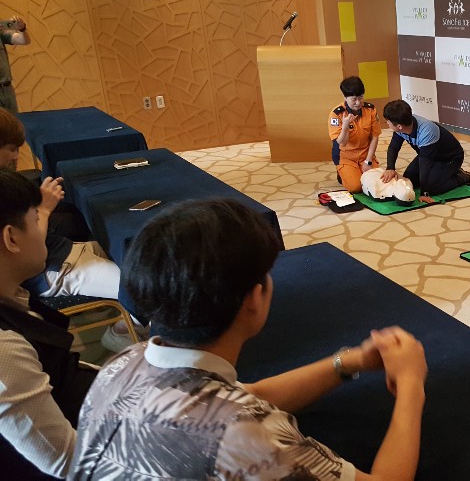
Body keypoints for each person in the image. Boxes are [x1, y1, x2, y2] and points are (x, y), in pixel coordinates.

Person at [70, 199, 428, 480]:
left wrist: (348, 362)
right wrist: (411, 384)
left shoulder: (123, 364)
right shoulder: (250, 435)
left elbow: (249, 394)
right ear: (254, 299)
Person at [0, 108, 136, 352]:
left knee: (137, 257)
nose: (16, 156)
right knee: (143, 287)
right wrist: (43, 210)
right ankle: (119, 333)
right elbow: (30, 255)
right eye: (10, 149)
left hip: (63, 252)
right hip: (53, 271)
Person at [0, 169, 99, 478]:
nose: (42, 226)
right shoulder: (4, 351)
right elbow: (67, 462)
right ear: (11, 238)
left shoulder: (13, 297)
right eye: (36, 218)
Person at [381, 99, 470, 198]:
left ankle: (461, 177)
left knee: (431, 188)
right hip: (430, 155)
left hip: (450, 158)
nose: (387, 123)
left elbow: (425, 164)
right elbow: (394, 147)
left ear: (399, 126)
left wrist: (424, 192)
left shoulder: (427, 131)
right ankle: (441, 176)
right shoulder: (403, 124)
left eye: (388, 121)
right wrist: (390, 168)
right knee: (409, 180)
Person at [329, 76, 381, 192]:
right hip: (346, 156)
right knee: (356, 187)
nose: (358, 103)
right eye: (354, 99)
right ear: (345, 98)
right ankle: (342, 171)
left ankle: (357, 170)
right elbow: (342, 143)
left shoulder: (370, 110)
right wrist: (345, 126)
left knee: (375, 183)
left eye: (361, 98)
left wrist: (368, 161)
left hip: (365, 154)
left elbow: (375, 136)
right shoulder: (336, 114)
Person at [0, 15, 29, 113]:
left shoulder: (1, 34)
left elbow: (24, 41)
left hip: (7, 89)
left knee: (13, 120)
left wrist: (22, 29)